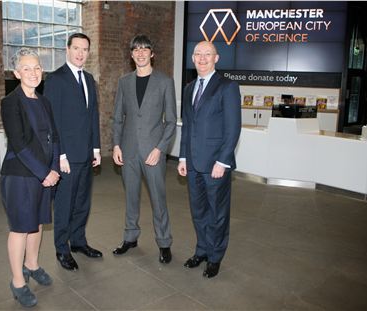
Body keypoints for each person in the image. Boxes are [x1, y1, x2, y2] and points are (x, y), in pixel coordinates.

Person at [0, 48, 60, 307]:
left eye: (37, 67)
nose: (33, 72)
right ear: (16, 73)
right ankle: (17, 281)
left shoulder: (44, 100)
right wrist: (44, 172)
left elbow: (54, 137)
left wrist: (54, 168)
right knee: (20, 228)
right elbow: (20, 144)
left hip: (45, 175)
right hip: (21, 175)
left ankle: (32, 264)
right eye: (27, 68)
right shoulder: (10, 103)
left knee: (37, 224)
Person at [177, 41, 241, 278]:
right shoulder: (189, 88)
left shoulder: (227, 87)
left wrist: (223, 162)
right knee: (199, 211)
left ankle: (215, 257)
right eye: (198, 54)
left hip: (215, 165)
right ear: (192, 58)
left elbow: (232, 128)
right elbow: (187, 128)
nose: (202, 58)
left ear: (216, 58)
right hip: (193, 164)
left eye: (207, 54)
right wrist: (183, 157)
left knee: (218, 213)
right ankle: (202, 250)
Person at [112, 34, 177, 263]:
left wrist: (160, 149)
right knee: (131, 197)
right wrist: (116, 145)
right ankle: (130, 237)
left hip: (153, 152)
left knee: (158, 198)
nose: (140, 53)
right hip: (128, 150)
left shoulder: (164, 82)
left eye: (145, 48)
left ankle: (164, 242)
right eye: (136, 49)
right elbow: (118, 117)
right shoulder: (124, 82)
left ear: (152, 53)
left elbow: (171, 121)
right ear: (131, 55)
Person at [43, 33, 102, 271]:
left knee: (82, 203)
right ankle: (62, 249)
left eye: (84, 49)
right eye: (76, 48)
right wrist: (61, 155)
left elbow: (92, 117)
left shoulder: (88, 79)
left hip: (87, 153)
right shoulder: (55, 79)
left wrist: (96, 148)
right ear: (67, 49)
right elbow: (51, 121)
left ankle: (78, 242)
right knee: (65, 204)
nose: (80, 53)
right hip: (67, 157)